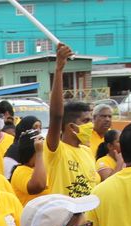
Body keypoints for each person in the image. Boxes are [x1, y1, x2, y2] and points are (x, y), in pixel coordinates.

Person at [45, 45, 99, 197]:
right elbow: (56, 115)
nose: (91, 125)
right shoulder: (56, 151)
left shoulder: (88, 152)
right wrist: (59, 70)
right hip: (65, 219)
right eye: (86, 121)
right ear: (71, 127)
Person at [6, 127, 49, 204]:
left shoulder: (45, 168)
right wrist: (39, 153)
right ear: (30, 152)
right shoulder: (20, 171)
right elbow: (38, 186)